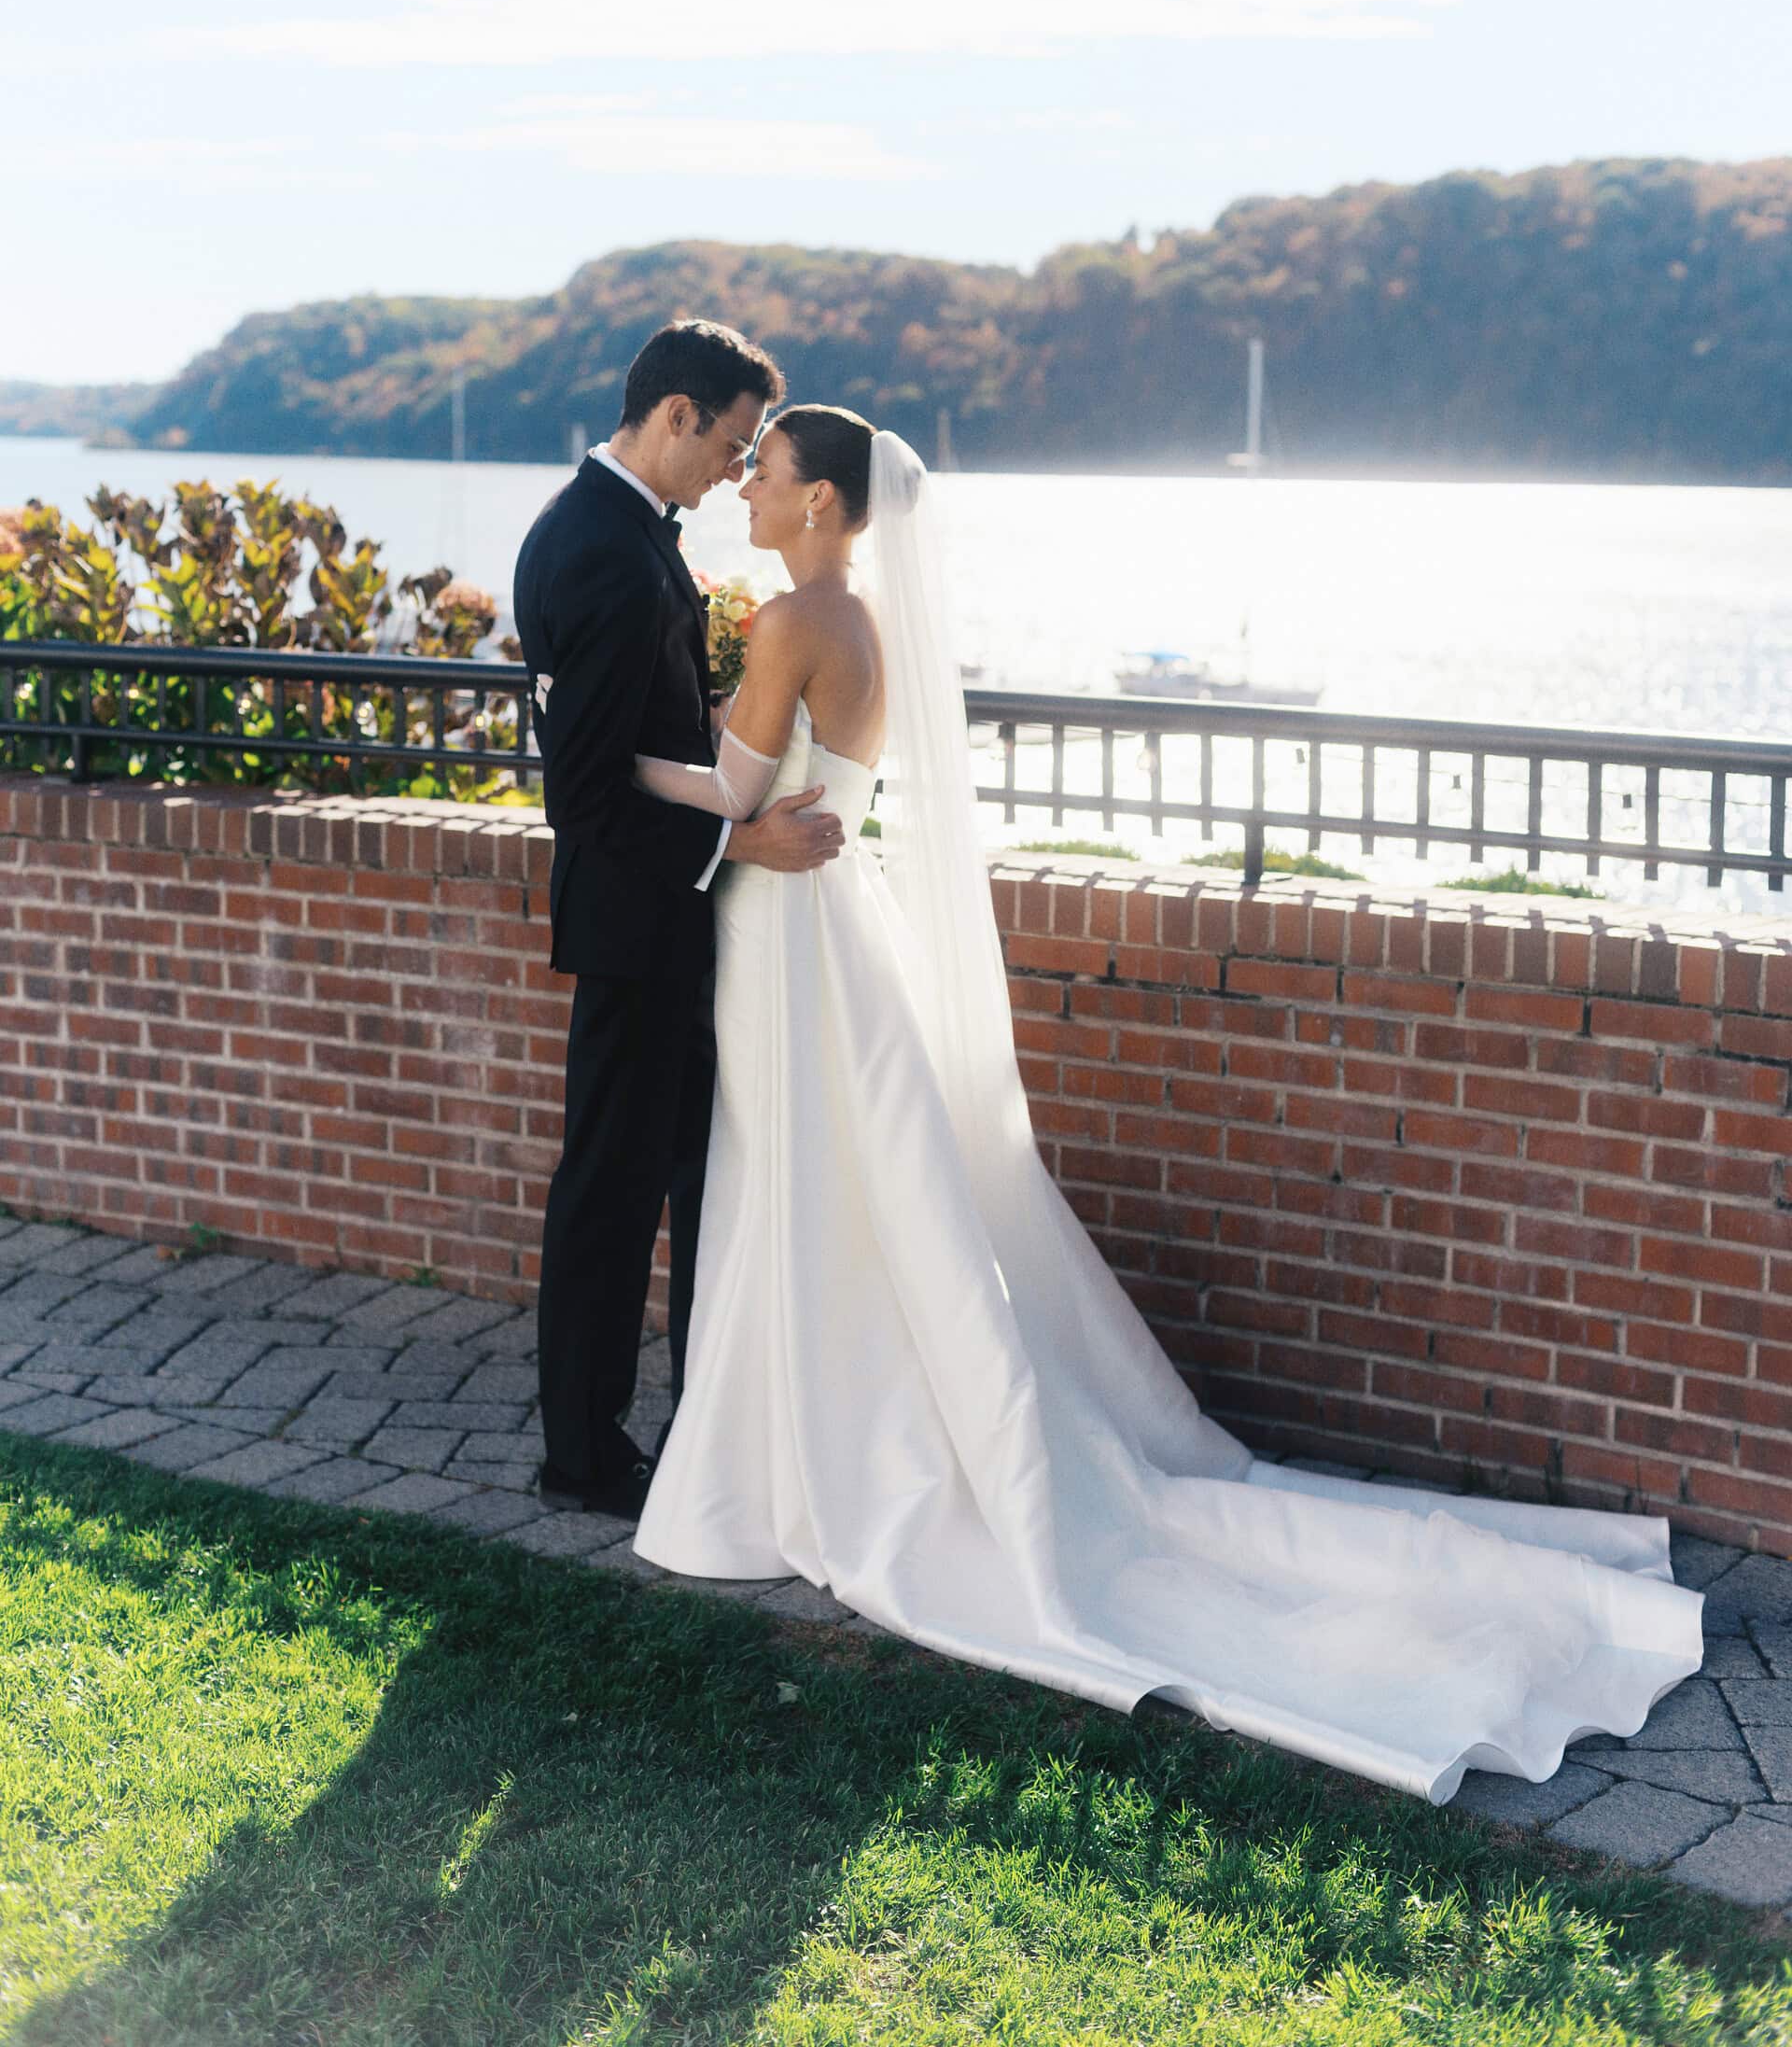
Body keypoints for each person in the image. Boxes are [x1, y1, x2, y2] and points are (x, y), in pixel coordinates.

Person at [629, 404, 1705, 1804]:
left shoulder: (792, 622)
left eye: (764, 475)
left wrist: (604, 764)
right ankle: (803, 1434)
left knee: (796, 1177)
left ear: (822, 500)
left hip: (793, 930)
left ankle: (796, 1453)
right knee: (824, 1180)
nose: (746, 492)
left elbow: (734, 787)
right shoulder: (866, 619)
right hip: (841, 916)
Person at [511, 322, 845, 1521]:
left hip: (657, 916)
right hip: (635, 922)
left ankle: (694, 1426)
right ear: (675, 416)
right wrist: (740, 843)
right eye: (733, 443)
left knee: (678, 1177)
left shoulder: (613, 528)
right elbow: (586, 795)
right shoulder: (603, 548)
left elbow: (642, 722)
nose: (735, 469)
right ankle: (583, 1457)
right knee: (612, 1189)